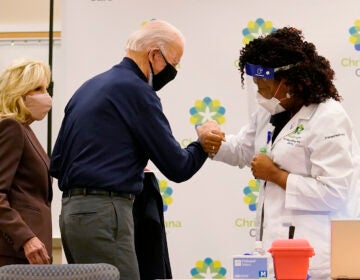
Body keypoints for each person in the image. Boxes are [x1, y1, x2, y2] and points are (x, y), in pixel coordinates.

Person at [50, 19, 223, 279]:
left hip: (71, 215)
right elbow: (178, 166)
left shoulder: (88, 88)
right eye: (173, 64)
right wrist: (202, 143)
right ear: (154, 54)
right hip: (107, 214)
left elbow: (57, 163)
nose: (173, 72)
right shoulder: (137, 91)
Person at [197, 27, 359, 279]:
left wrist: (276, 175)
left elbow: (336, 193)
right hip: (274, 251)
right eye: (256, 86)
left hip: (312, 257)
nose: (260, 93)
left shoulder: (328, 118)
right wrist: (213, 140)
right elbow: (242, 149)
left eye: (263, 85)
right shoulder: (271, 110)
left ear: (288, 81)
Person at [0, 58, 53, 266]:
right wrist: (26, 238)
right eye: (38, 89)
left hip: (31, 251)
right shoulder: (11, 128)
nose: (46, 96)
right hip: (16, 251)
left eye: (46, 88)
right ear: (18, 92)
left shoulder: (24, 130)